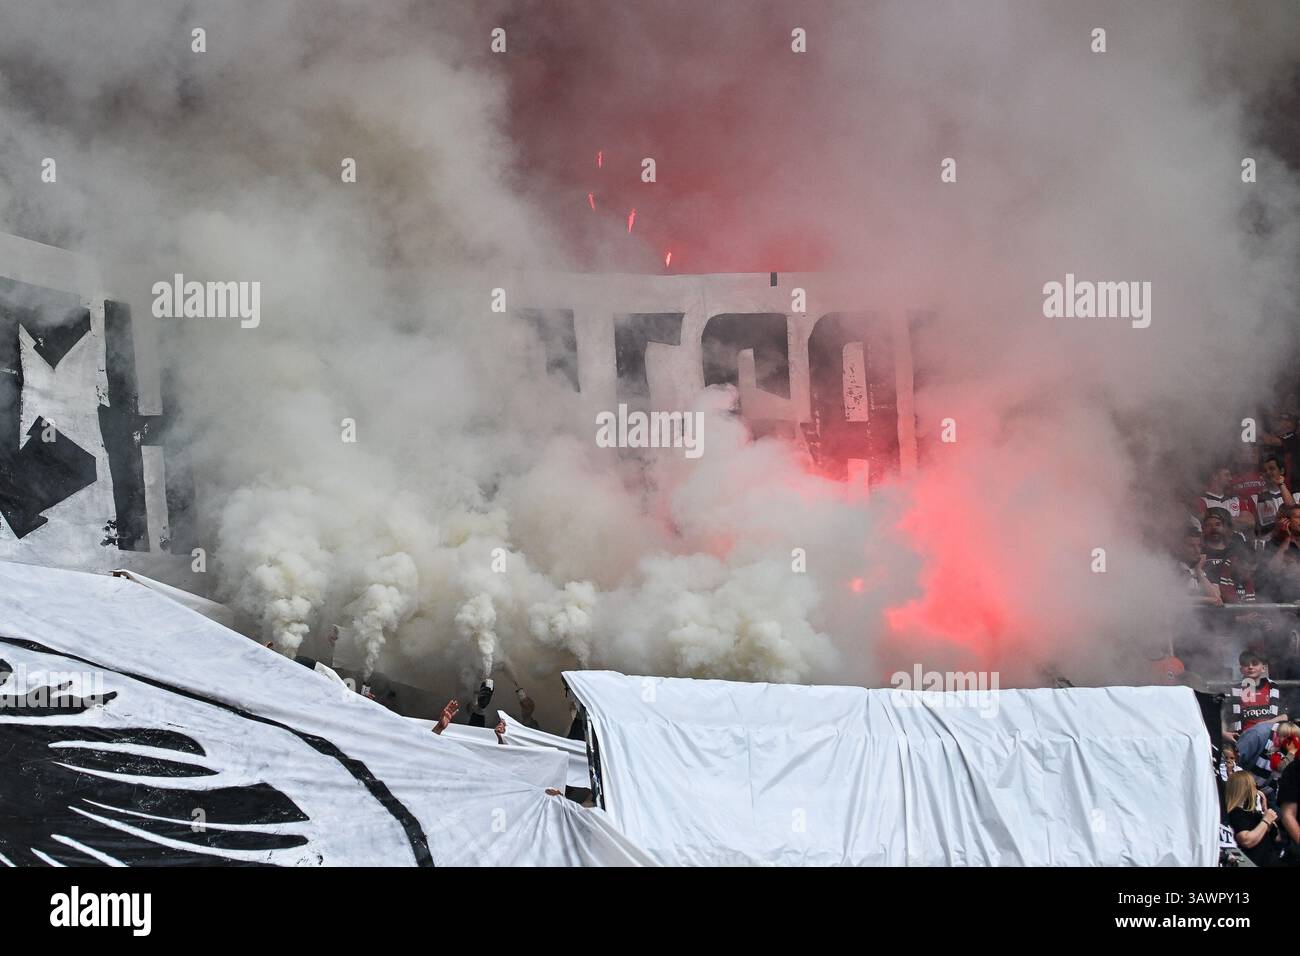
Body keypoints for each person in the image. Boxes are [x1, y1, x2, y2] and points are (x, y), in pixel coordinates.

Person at [1226, 651, 1287, 776]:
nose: (1250, 667)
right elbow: (1224, 716)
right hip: (1241, 737)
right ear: (1241, 669)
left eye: (1254, 663)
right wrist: (1224, 733)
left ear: (1263, 668)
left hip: (1269, 739)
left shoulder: (1274, 689)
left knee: (1261, 731)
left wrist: (1263, 726)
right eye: (1245, 664)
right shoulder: (1235, 690)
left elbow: (1285, 715)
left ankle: (1232, 769)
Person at [1225, 770, 1283, 867]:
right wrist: (1266, 820)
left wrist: (1264, 810)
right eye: (1253, 786)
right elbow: (1246, 840)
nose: (1256, 789)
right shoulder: (1236, 813)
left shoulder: (1255, 814)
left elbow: (1277, 837)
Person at [1179, 531, 1223, 606]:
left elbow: (1216, 597)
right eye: (1191, 546)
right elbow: (1174, 598)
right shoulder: (1173, 568)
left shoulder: (1208, 568)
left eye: (1199, 546)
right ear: (1181, 548)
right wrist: (1205, 600)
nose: (1197, 550)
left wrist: (1199, 570)